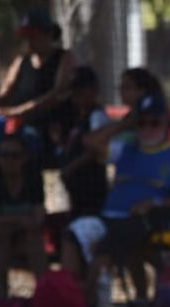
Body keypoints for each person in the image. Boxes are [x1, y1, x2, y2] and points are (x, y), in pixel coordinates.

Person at [63, 92, 170, 307]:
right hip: (109, 217)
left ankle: (89, 300)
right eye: (142, 123)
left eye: (154, 122)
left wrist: (154, 203)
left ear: (167, 124)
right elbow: (89, 142)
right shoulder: (125, 151)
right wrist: (123, 125)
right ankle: (66, 290)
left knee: (112, 244)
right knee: (75, 232)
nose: (147, 128)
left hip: (144, 219)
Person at [0, 9, 77, 162]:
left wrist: (18, 112)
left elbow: (56, 95)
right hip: (16, 127)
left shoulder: (64, 59)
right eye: (26, 37)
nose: (29, 42)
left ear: (48, 34)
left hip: (50, 131)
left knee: (19, 145)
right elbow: (3, 95)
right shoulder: (21, 62)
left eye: (33, 36)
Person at [0, 134, 47, 307]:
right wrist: (21, 220)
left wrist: (14, 222)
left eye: (14, 155)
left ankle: (45, 296)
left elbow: (39, 218)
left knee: (34, 240)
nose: (8, 160)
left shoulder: (33, 177)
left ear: (24, 157)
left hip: (23, 234)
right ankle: (0, 300)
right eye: (3, 155)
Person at [57, 66, 110, 220]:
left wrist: (70, 168)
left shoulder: (97, 116)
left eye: (81, 91)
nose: (76, 96)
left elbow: (94, 151)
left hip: (91, 185)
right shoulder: (77, 118)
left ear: (93, 90)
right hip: (76, 186)